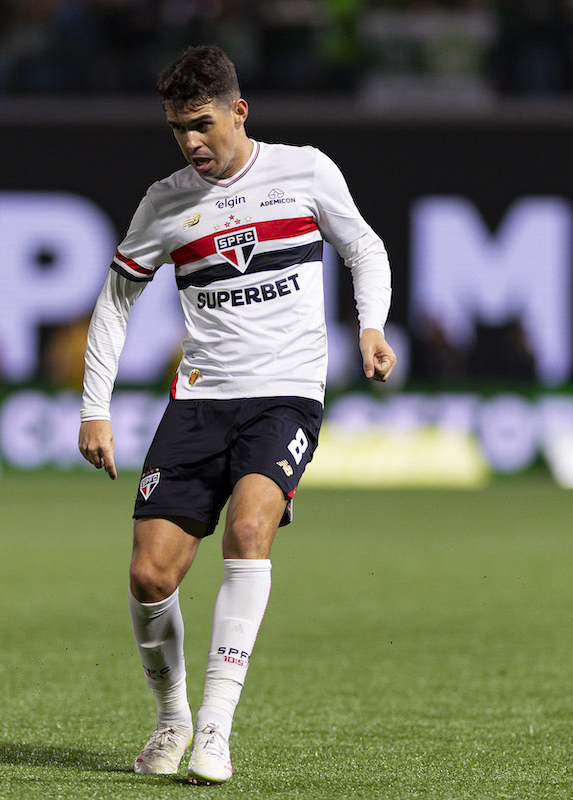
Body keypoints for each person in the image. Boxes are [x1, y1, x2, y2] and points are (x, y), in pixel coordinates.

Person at [77, 44, 395, 785]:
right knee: (150, 576)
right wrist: (95, 407)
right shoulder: (165, 202)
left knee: (250, 531)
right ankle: (173, 718)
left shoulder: (305, 171)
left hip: (285, 394)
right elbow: (116, 300)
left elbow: (364, 246)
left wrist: (371, 326)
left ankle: (215, 726)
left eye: (201, 124)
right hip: (199, 402)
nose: (190, 141)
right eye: (177, 128)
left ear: (238, 111)